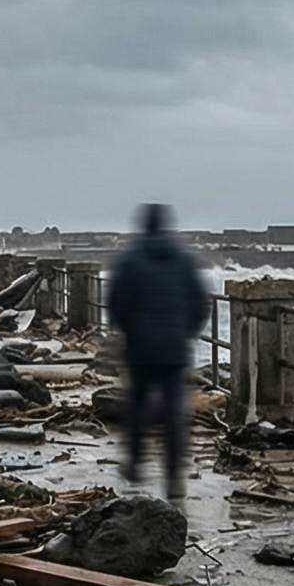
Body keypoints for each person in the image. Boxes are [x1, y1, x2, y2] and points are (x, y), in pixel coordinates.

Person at [105, 203, 208, 501]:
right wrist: (185, 331)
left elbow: (116, 301)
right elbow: (200, 303)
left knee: (137, 404)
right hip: (175, 347)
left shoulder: (130, 260)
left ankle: (136, 464)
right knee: (175, 412)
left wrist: (127, 331)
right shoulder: (184, 261)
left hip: (140, 347)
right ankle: (174, 476)